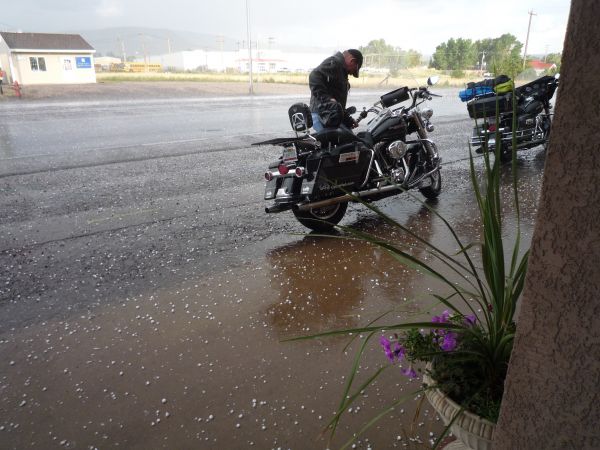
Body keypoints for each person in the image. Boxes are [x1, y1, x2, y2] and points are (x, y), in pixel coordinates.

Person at [309, 49, 363, 132]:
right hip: (322, 115)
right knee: (330, 142)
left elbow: (337, 103)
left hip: (330, 115)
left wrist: (349, 120)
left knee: (348, 139)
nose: (351, 74)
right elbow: (314, 75)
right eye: (353, 71)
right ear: (352, 61)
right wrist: (326, 98)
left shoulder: (341, 70)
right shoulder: (335, 62)